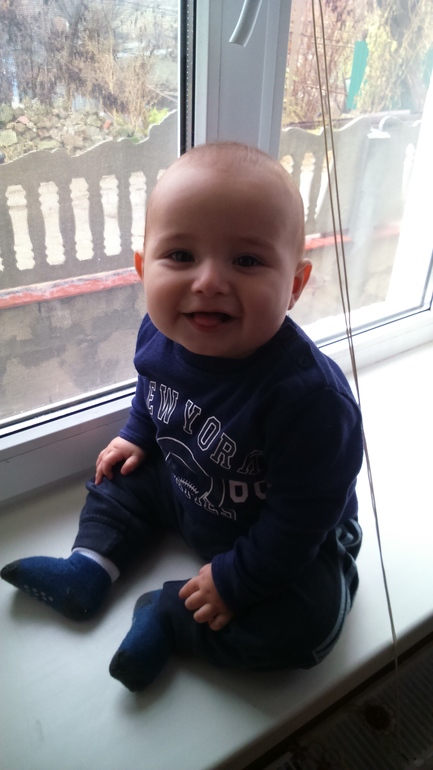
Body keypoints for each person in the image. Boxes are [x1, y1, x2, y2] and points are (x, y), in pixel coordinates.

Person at [1, 142, 363, 692]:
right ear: (143, 269)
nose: (209, 281)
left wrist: (237, 580)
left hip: (277, 533)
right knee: (119, 476)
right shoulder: (160, 331)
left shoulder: (310, 400)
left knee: (310, 625)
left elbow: (301, 520)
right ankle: (88, 567)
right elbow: (153, 388)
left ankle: (170, 617)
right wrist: (137, 434)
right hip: (190, 485)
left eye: (247, 260)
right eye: (181, 256)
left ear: (294, 285)